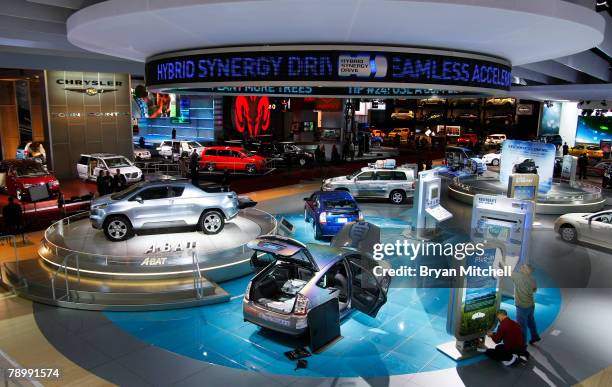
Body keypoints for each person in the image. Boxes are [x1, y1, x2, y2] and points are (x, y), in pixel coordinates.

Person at [512, 264, 541, 345]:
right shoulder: (533, 279)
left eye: (524, 267)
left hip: (522, 307)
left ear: (528, 270)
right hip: (531, 305)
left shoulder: (518, 277)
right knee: (531, 321)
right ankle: (535, 336)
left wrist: (500, 259)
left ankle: (522, 344)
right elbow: (534, 290)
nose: (521, 267)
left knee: (521, 327)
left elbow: (506, 269)